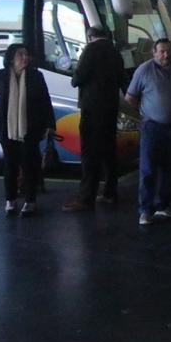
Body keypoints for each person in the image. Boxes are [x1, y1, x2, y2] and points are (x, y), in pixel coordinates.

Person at [0, 44, 56, 216]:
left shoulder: (36, 76)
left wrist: (50, 125)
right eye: (20, 55)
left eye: (26, 54)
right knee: (10, 165)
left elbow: (45, 101)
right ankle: (10, 200)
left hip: (31, 128)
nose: (24, 58)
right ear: (11, 58)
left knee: (30, 165)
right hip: (7, 129)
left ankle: (30, 201)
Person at [125, 38, 171, 226]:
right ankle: (146, 210)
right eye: (161, 51)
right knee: (148, 169)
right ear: (154, 53)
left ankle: (163, 204)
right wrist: (146, 115)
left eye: (169, 51)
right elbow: (130, 98)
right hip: (153, 128)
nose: (166, 55)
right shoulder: (144, 70)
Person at [62, 27, 124, 212]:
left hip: (92, 108)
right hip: (111, 108)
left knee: (90, 153)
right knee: (109, 152)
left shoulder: (91, 50)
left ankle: (86, 198)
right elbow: (122, 79)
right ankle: (110, 192)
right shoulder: (115, 52)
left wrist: (75, 75)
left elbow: (77, 79)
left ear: (90, 37)